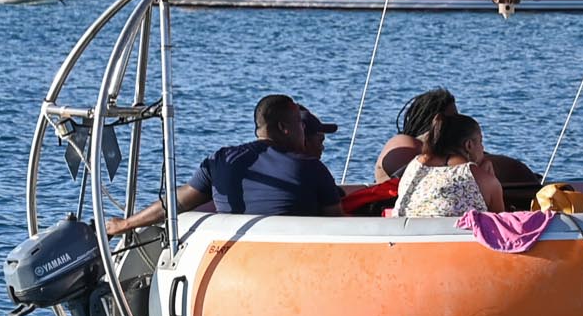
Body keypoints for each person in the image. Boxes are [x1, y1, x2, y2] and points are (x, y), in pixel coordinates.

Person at [106, 94, 342, 234]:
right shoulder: (311, 168)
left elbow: (176, 202)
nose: (304, 131)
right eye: (300, 126)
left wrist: (124, 224)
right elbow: (336, 229)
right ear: (283, 127)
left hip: (231, 262)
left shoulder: (220, 160)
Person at [392, 111, 495, 219]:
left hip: (404, 233)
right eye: (480, 142)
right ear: (469, 145)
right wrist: (487, 176)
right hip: (459, 235)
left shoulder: (415, 165)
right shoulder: (486, 181)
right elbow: (500, 225)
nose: (483, 148)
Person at [377, 87, 459, 182]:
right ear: (435, 120)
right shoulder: (403, 142)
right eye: (452, 119)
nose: (457, 124)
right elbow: (410, 179)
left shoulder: (441, 151)